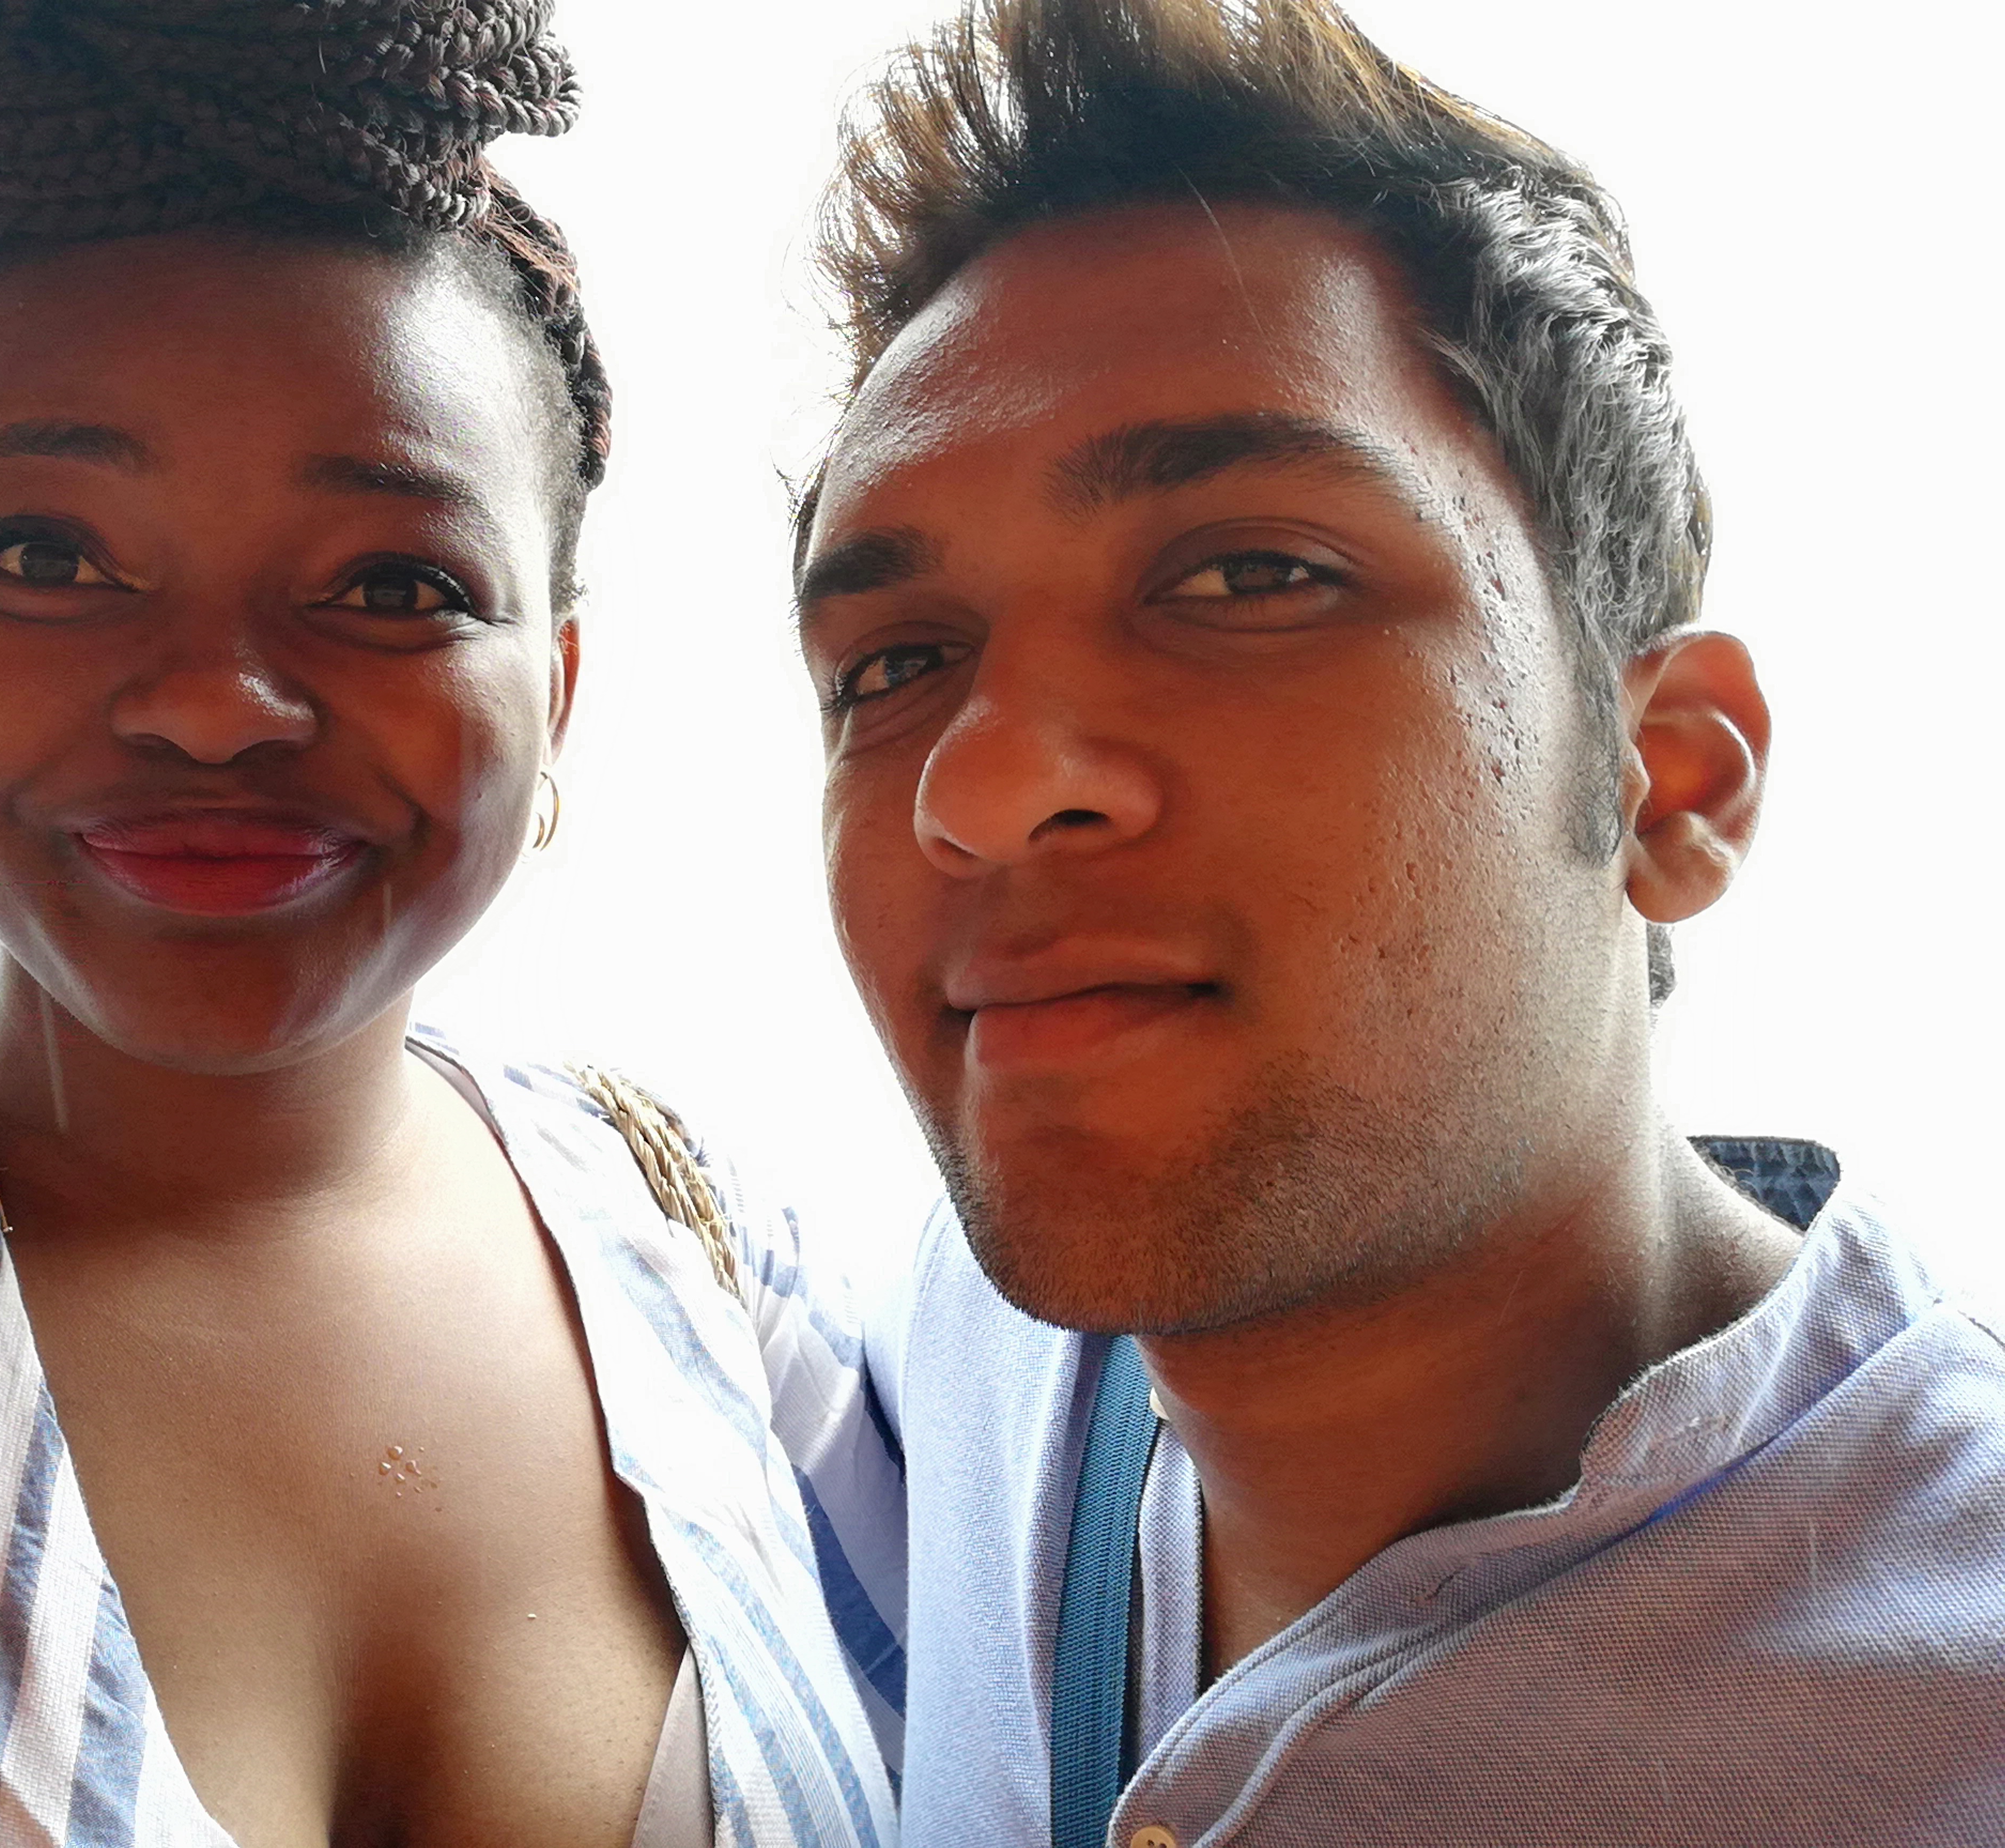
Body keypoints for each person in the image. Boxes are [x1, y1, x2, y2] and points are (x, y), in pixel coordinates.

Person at [0, 4, 903, 1844]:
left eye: (395, 583)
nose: (209, 705)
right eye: (43, 555)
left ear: (560, 691)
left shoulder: (731, 1293)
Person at [790, 0, 2005, 1842]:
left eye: (1248, 575)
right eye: (894, 663)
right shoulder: (945, 1381)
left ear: (1668, 783)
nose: (981, 780)